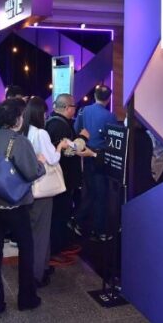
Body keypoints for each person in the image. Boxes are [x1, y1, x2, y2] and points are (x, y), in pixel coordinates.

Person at [0, 99, 44, 319]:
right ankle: (27, 298)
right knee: (26, 249)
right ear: (17, 119)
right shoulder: (20, 141)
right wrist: (41, 164)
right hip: (16, 204)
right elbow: (31, 172)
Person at [20, 96, 70, 286]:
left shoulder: (24, 131)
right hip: (41, 188)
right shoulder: (41, 133)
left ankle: (41, 267)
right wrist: (61, 146)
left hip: (26, 187)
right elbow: (53, 159)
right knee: (41, 233)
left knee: (33, 231)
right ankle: (37, 274)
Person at [46, 94, 91, 263]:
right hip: (62, 178)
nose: (75, 110)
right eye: (74, 107)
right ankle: (55, 249)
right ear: (66, 107)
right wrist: (83, 138)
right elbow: (69, 151)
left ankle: (61, 244)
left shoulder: (54, 122)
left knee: (62, 213)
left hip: (62, 177)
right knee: (59, 214)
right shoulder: (59, 125)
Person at [73, 85, 117, 241]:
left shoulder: (83, 111)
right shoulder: (110, 116)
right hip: (100, 157)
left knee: (90, 191)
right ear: (109, 98)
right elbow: (113, 139)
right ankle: (98, 230)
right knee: (101, 194)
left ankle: (79, 222)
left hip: (85, 155)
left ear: (95, 95)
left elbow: (77, 128)